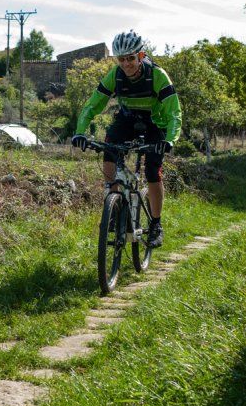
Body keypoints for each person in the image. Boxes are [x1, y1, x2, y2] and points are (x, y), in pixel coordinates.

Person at [71, 30, 182, 248]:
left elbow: (174, 113)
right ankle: (112, 205)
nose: (126, 64)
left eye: (130, 58)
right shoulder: (115, 75)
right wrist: (80, 132)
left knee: (152, 171)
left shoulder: (157, 76)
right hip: (127, 118)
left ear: (140, 56)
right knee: (109, 148)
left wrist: (170, 139)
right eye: (121, 59)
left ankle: (156, 224)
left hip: (155, 123)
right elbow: (92, 105)